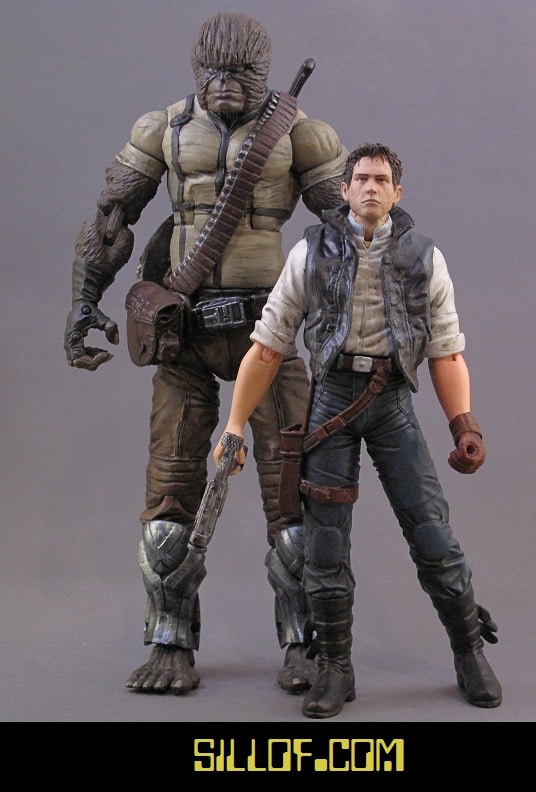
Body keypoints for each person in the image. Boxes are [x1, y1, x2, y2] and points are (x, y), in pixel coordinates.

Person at [63, 12, 349, 696]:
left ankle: (305, 642)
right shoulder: (161, 129)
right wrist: (83, 300)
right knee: (169, 491)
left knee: (295, 495)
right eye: (213, 71)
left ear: (264, 71)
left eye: (242, 73)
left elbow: (350, 233)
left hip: (269, 334)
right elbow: (111, 218)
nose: (225, 83)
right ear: (196, 69)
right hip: (183, 334)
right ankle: (169, 639)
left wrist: (364, 323)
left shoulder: (302, 134)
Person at [214, 142, 502, 719]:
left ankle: (469, 651)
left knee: (432, 533)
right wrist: (235, 425)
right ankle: (335, 666)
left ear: (398, 192)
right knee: (324, 544)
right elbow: (269, 345)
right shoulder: (311, 251)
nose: (371, 188)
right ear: (344, 190)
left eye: (382, 180)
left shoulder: (425, 257)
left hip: (392, 401)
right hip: (332, 404)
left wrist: (463, 425)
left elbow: (447, 350)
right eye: (362, 179)